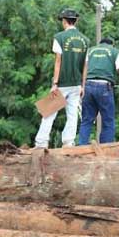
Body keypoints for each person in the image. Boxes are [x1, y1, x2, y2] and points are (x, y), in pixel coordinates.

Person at [34, 9, 89, 148]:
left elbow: (58, 61)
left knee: (49, 112)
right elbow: (85, 65)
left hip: (62, 82)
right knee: (72, 115)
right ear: (76, 21)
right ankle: (69, 142)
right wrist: (83, 85)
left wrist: (55, 83)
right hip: (76, 83)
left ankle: (41, 143)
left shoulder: (59, 37)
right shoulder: (85, 40)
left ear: (64, 21)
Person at [78, 37, 119, 144]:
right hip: (104, 87)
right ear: (112, 45)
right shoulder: (115, 52)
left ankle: (81, 149)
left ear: (99, 44)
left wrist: (82, 85)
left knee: (86, 120)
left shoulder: (90, 51)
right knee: (108, 122)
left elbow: (83, 68)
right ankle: (106, 150)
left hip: (87, 86)